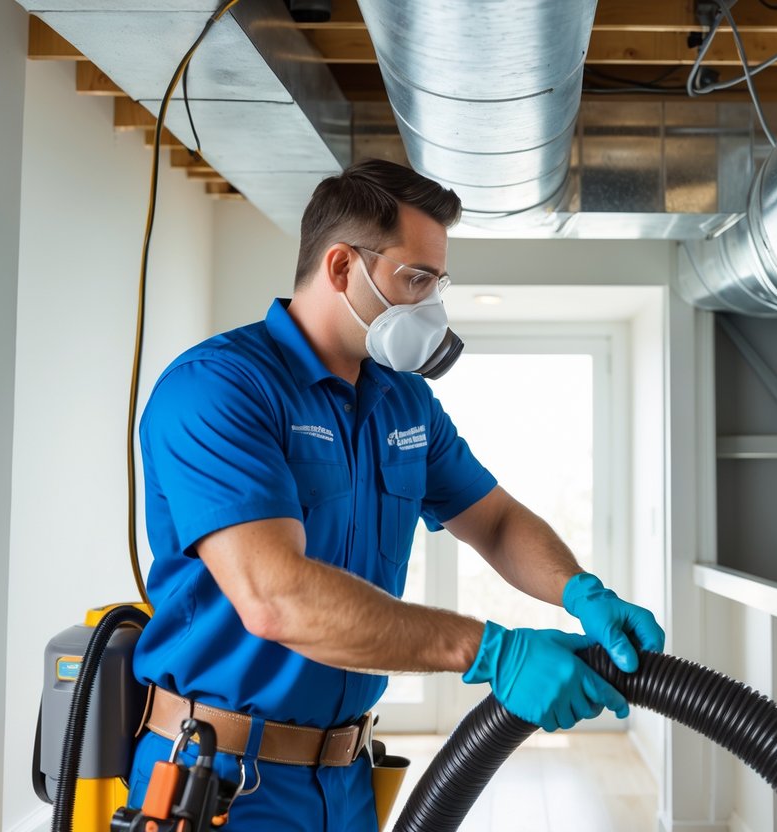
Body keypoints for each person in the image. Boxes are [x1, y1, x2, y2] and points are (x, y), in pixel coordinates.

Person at [127, 159, 665, 830]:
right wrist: (491, 652)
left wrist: (582, 592)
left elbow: (492, 521)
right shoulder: (217, 389)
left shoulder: (402, 399)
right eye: (415, 279)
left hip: (346, 778)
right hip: (218, 781)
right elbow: (275, 599)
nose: (430, 306)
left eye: (437, 283)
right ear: (341, 268)